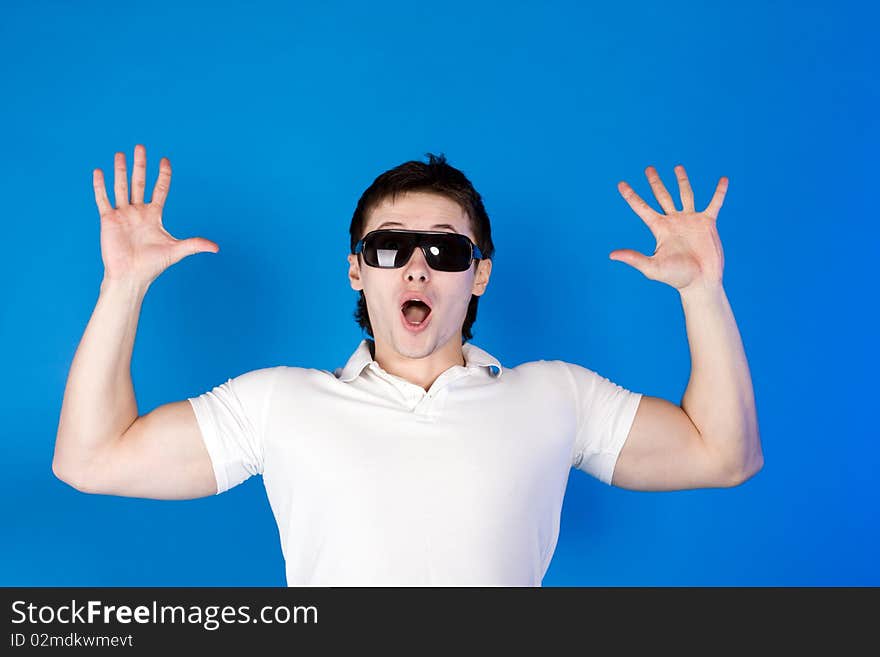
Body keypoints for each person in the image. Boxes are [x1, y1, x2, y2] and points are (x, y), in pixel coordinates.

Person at [52, 145, 763, 586]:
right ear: (358, 271)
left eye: (446, 251)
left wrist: (704, 292)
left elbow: (723, 453)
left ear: (478, 275)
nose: (418, 267)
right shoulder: (279, 404)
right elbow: (92, 459)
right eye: (390, 248)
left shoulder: (557, 396)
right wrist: (123, 287)